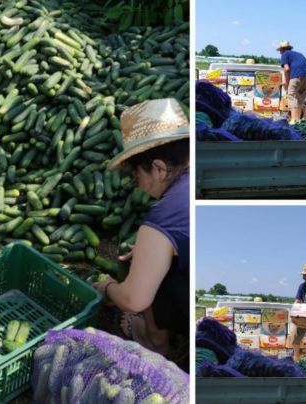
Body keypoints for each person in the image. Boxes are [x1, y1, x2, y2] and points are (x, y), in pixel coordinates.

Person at [93, 98, 189, 360]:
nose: (140, 187)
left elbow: (134, 300)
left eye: (137, 176)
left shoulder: (164, 215)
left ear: (158, 169)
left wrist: (108, 289)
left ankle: (155, 342)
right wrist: (153, 253)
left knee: (145, 279)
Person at [277, 40, 306, 124]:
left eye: (280, 51)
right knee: (300, 95)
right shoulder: (298, 54)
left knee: (292, 95)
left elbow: (286, 69)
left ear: (282, 49)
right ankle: (300, 119)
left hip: (297, 74)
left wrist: (287, 82)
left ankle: (294, 120)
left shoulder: (285, 54)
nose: (280, 53)